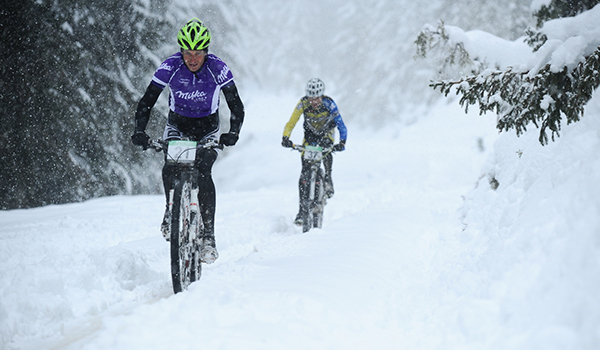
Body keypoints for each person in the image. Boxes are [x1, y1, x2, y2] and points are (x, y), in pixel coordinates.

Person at [131, 18, 244, 264]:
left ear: (206, 52)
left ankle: (209, 237)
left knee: (203, 170)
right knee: (170, 164)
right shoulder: (170, 66)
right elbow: (147, 100)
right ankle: (171, 209)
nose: (192, 59)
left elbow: (235, 104)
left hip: (208, 128)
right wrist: (140, 130)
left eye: (198, 53)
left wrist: (232, 132)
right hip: (177, 125)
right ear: (181, 51)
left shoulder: (217, 67)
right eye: (187, 53)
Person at [281, 78, 347, 226]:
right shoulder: (303, 103)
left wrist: (342, 142)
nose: (314, 101)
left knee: (327, 153)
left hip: (326, 136)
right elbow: (291, 122)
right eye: (311, 98)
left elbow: (341, 125)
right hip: (310, 139)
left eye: (316, 98)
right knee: (303, 173)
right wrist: (286, 137)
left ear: (321, 95)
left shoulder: (329, 104)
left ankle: (328, 179)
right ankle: (301, 210)